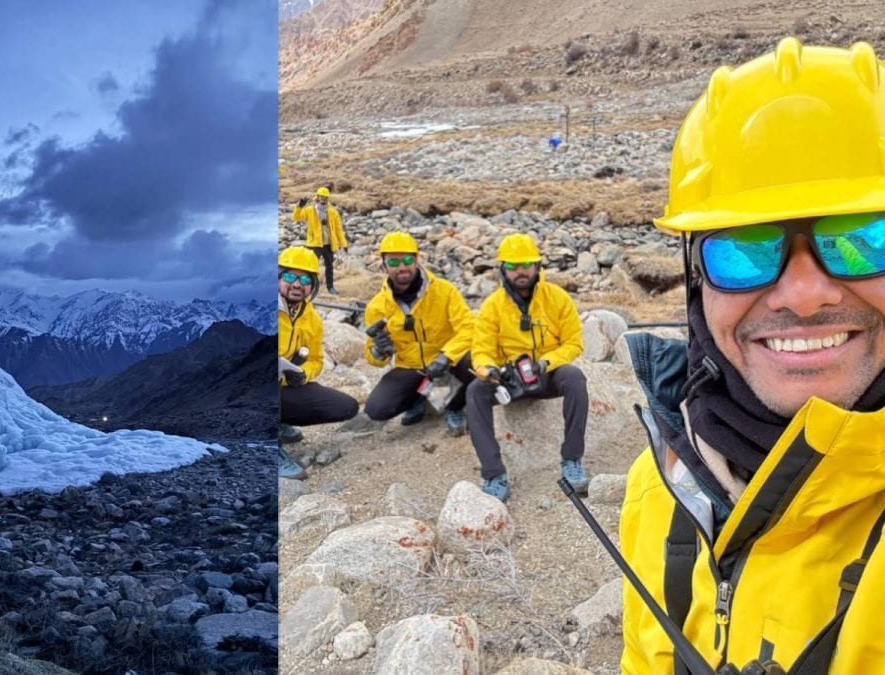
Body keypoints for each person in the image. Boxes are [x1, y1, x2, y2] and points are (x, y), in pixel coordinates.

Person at [618, 38, 885, 673]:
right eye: (744, 249)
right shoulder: (659, 487)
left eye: (863, 240)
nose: (803, 295)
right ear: (694, 282)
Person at [465, 233, 588, 502]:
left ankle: (572, 459)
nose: (520, 272)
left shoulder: (557, 299)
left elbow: (573, 343)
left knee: (575, 378)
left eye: (526, 264)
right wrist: (489, 369)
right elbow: (482, 348)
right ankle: (494, 473)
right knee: (475, 391)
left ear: (537, 266)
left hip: (546, 375)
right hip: (510, 379)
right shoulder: (492, 306)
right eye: (512, 266)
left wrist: (546, 363)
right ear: (502, 269)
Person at [362, 232, 474, 436]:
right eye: (393, 262)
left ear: (416, 260)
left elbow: (469, 328)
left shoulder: (444, 291)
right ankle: (420, 397)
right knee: (377, 409)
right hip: (410, 367)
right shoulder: (376, 307)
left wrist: (446, 356)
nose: (402, 267)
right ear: (383, 265)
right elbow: (371, 356)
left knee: (472, 360)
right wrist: (379, 351)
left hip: (447, 364)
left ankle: (453, 406)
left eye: (407, 260)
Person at [277, 246, 359, 478]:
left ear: (313, 284)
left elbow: (316, 359)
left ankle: (278, 421)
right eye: (290, 276)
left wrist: (302, 373)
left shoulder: (311, 318)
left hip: (284, 386)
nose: (297, 284)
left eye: (305, 278)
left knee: (346, 406)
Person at [292, 187, 347, 294]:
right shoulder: (309, 210)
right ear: (317, 197)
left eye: (325, 197)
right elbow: (296, 218)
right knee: (310, 266)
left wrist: (343, 244)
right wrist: (299, 206)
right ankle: (309, 287)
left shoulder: (333, 212)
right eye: (321, 196)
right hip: (314, 244)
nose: (323, 199)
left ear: (328, 198)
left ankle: (330, 287)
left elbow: (339, 229)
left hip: (329, 245)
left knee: (329, 267)